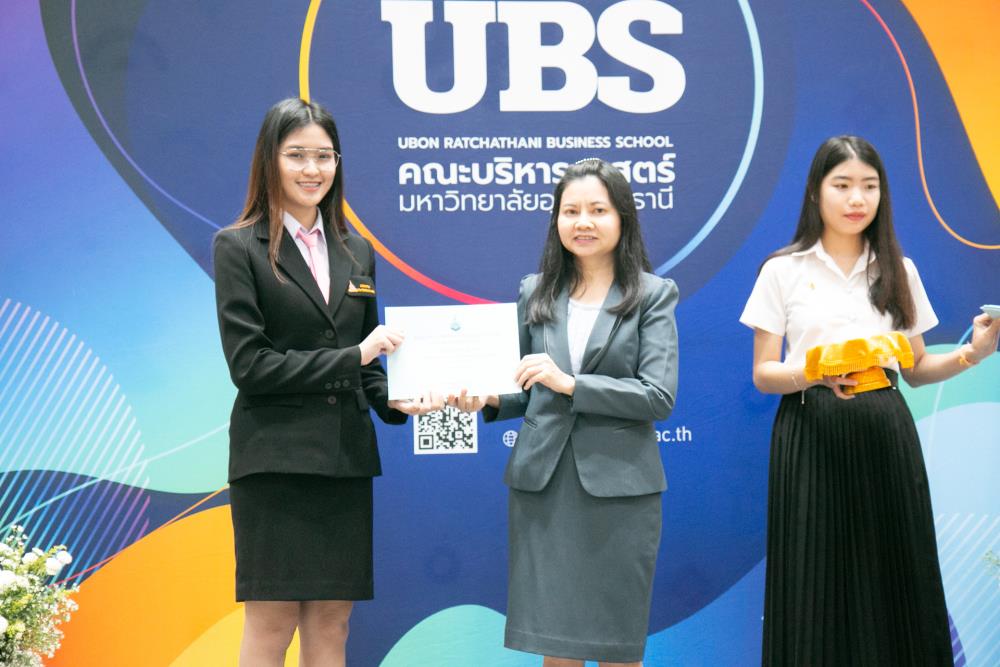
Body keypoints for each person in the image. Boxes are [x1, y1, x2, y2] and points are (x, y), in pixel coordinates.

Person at [740, 135, 1000, 666]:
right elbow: (764, 373)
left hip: (885, 433)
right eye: (842, 185)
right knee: (813, 576)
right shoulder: (783, 270)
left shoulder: (898, 269)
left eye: (869, 186)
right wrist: (814, 372)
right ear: (816, 192)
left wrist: (973, 353)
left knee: (896, 574)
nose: (857, 198)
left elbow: (917, 369)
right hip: (810, 434)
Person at [213, 97, 441, 667]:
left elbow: (367, 366)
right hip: (275, 462)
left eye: (324, 156)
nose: (312, 169)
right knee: (271, 621)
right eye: (297, 155)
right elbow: (251, 367)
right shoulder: (237, 246)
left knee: (333, 620)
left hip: (345, 459)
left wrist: (400, 400)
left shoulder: (355, 249)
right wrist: (354, 356)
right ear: (270, 159)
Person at [452, 159, 679, 666]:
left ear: (622, 218)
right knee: (556, 649)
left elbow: (657, 397)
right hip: (545, 488)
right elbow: (522, 387)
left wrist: (572, 384)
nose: (583, 222)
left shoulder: (653, 295)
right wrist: (487, 398)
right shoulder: (534, 291)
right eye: (570, 211)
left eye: (598, 210)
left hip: (621, 491)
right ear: (556, 220)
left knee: (617, 647)